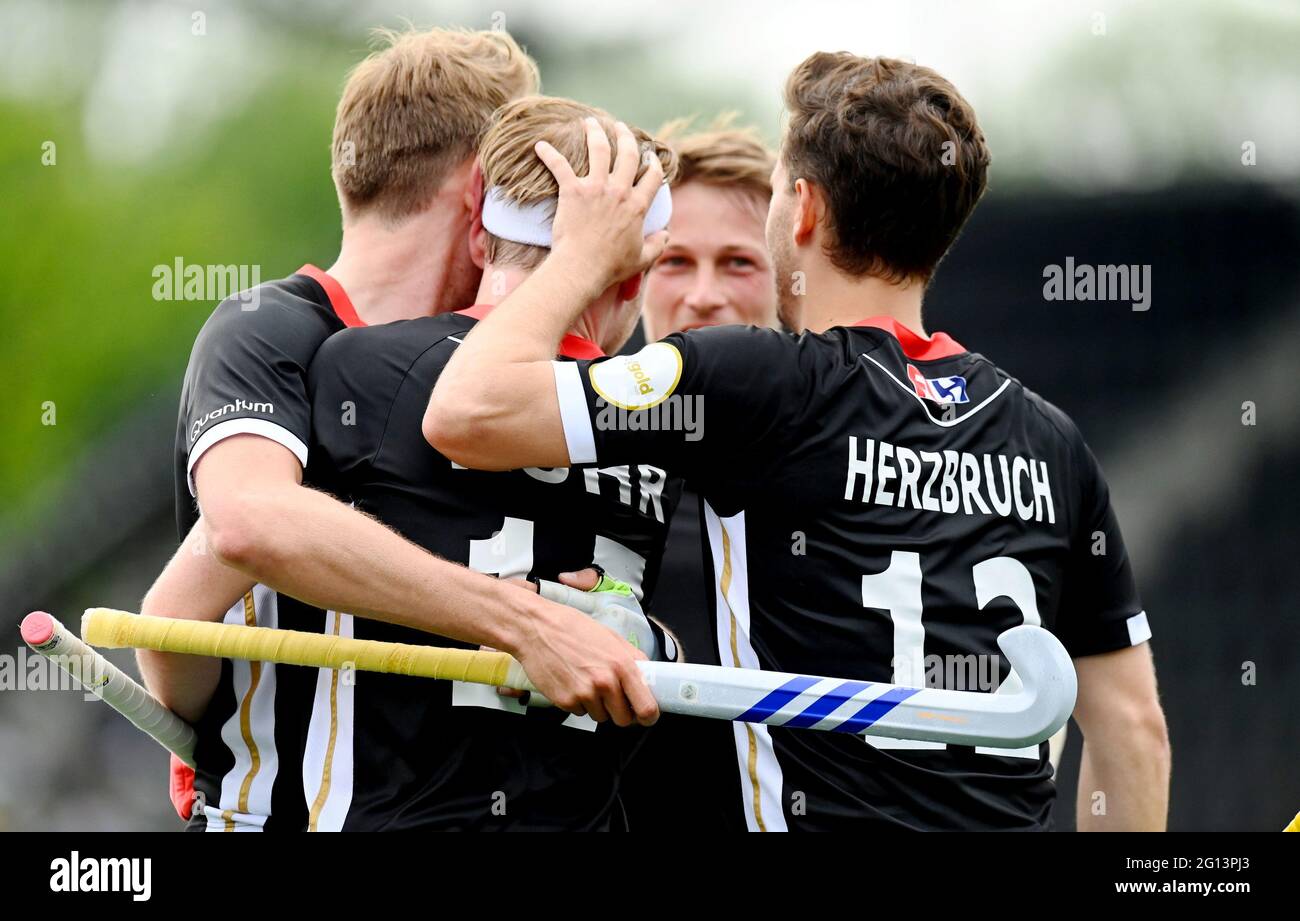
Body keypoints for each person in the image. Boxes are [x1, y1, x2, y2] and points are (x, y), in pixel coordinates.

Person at [425, 52, 1172, 831]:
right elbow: (1133, 730)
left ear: (804, 209)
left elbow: (468, 411)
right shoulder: (1053, 441)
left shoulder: (758, 379)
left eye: (777, 189)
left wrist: (579, 255)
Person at [137, 28, 656, 833]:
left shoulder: (512, 378)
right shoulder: (272, 329)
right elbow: (244, 526)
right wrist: (519, 619)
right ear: (484, 192)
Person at [301, 95, 680, 829]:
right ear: (636, 275)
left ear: (478, 230)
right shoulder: (660, 420)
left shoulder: (365, 367)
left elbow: (227, 566)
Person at [621, 117, 777, 831]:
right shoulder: (562, 455)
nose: (704, 293)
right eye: (674, 260)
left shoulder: (864, 456)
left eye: (740, 262)